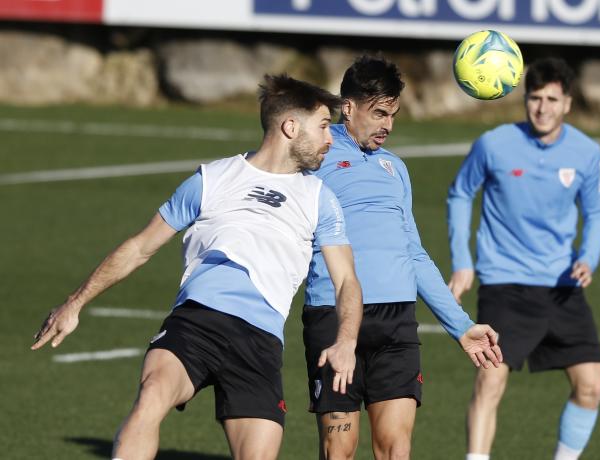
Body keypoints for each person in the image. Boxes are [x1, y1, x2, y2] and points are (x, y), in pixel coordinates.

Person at [32, 74, 363, 460]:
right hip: (196, 322)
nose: (331, 138)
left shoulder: (319, 198)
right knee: (152, 397)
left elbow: (346, 282)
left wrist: (347, 341)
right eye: (324, 126)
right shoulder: (212, 179)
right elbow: (141, 246)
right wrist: (75, 302)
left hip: (260, 341)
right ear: (290, 127)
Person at [302, 55, 503, 460]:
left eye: (392, 115)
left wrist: (461, 326)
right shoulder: (313, 160)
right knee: (338, 447)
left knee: (396, 448)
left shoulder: (397, 169)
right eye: (378, 114)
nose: (387, 126)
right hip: (335, 315)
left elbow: (413, 252)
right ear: (349, 107)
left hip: (396, 322)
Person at [447, 57, 600, 460]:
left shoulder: (586, 152)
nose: (542, 108)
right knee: (490, 382)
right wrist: (462, 260)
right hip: (505, 284)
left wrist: (588, 257)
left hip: (562, 287)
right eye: (535, 98)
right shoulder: (494, 144)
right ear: (525, 100)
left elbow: (599, 212)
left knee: (592, 385)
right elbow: (460, 193)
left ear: (568, 104)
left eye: (552, 99)